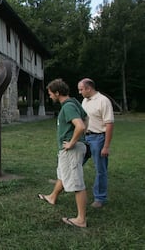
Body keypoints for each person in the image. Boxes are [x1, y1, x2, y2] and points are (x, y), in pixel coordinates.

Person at [38, 78, 88, 228]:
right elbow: (85, 118)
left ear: (57, 92)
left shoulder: (68, 106)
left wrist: (73, 141)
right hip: (71, 148)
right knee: (62, 174)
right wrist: (82, 136)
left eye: (51, 93)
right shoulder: (74, 102)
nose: (50, 96)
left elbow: (80, 125)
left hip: (71, 149)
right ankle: (52, 197)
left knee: (77, 182)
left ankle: (81, 219)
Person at [78, 78, 114, 208]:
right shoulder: (84, 101)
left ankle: (100, 198)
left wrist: (106, 146)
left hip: (98, 139)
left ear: (89, 88)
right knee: (75, 162)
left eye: (81, 89)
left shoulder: (103, 101)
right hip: (85, 138)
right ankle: (64, 182)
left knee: (100, 169)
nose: (79, 92)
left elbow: (109, 124)